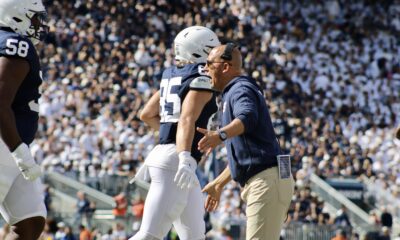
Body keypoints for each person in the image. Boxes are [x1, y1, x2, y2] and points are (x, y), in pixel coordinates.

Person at [129, 26, 220, 240]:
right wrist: (183, 153)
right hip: (177, 160)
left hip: (171, 156)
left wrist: (172, 137)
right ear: (201, 50)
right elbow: (187, 118)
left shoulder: (172, 74)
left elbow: (147, 114)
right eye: (213, 50)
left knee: (195, 236)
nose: (216, 56)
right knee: (149, 235)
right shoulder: (201, 76)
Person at [197, 44, 295, 240]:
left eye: (209, 63)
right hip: (268, 177)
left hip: (267, 179)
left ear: (225, 67)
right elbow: (245, 156)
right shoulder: (234, 91)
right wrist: (218, 183)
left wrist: (220, 135)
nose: (205, 69)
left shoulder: (239, 88)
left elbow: (248, 117)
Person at [0, 0, 48, 239]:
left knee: (30, 221)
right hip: (6, 142)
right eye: (35, 17)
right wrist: (18, 150)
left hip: (10, 142)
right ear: (17, 16)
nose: (39, 24)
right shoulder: (15, 43)